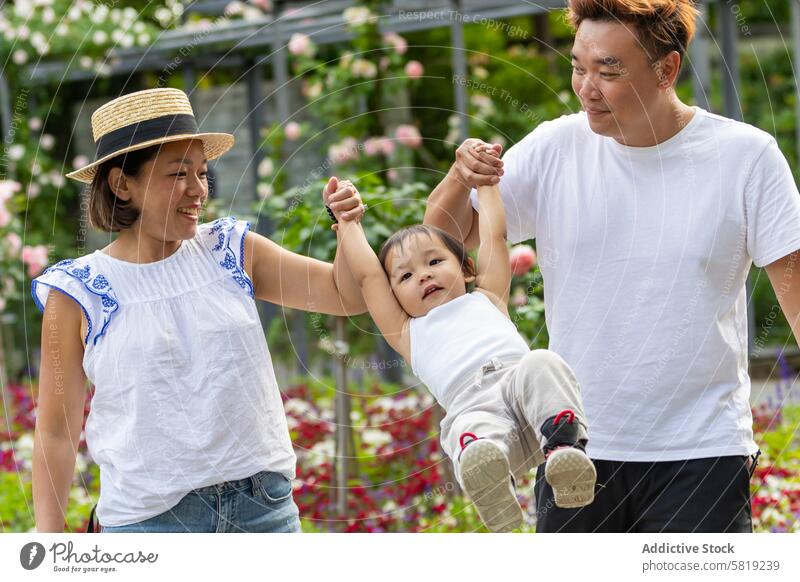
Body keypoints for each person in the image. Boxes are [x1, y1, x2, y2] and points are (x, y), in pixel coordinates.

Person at [424, 0, 800, 532]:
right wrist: (460, 177)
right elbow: (444, 240)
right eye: (579, 66)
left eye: (609, 70)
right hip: (571, 450)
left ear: (667, 69)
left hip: (702, 453)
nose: (586, 87)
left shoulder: (745, 158)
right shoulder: (555, 148)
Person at [31, 88, 367, 533]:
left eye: (202, 173)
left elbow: (345, 296)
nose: (198, 190)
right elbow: (55, 432)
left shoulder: (232, 249)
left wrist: (348, 226)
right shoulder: (76, 292)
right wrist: (54, 553)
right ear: (121, 184)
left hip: (263, 512)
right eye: (177, 174)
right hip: (150, 526)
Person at [325, 153, 596, 533]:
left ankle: (564, 451)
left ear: (467, 269)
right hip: (480, 415)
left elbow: (493, 235)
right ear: (394, 296)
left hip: (528, 404)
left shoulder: (488, 296)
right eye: (404, 276)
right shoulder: (407, 332)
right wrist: (348, 222)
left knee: (541, 362)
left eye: (434, 262)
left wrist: (486, 184)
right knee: (468, 430)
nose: (422, 276)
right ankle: (491, 488)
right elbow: (369, 276)